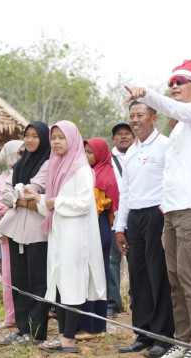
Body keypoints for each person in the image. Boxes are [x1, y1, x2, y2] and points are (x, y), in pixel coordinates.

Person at [125, 59, 191, 357]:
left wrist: (146, 94)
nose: (174, 86)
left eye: (180, 81)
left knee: (190, 279)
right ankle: (183, 342)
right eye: (171, 83)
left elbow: (174, 109)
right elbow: (170, 177)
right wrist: (166, 221)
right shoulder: (178, 131)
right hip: (174, 212)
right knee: (175, 281)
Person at [23, 120, 106, 354]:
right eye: (53, 138)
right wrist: (37, 197)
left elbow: (81, 204)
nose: (56, 142)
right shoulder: (56, 166)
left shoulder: (81, 168)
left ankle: (69, 339)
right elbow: (48, 205)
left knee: (73, 283)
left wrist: (53, 202)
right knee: (60, 282)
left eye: (61, 137)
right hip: (59, 232)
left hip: (75, 234)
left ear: (72, 139)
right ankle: (62, 336)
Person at [114, 101, 173, 357]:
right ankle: (144, 333)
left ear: (153, 118)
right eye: (131, 116)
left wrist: (165, 221)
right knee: (137, 277)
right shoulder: (130, 152)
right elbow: (125, 193)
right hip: (134, 218)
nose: (135, 120)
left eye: (140, 115)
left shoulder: (165, 145)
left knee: (157, 275)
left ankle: (163, 337)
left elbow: (172, 184)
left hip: (157, 214)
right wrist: (120, 227)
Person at [0, 122, 51, 346]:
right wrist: (19, 196)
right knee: (19, 281)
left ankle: (37, 333)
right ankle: (22, 329)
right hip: (18, 229)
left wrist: (17, 197)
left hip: (38, 231)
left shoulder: (48, 163)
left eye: (35, 136)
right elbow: (6, 193)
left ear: (43, 139)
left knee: (38, 283)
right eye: (27, 136)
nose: (29, 140)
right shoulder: (20, 164)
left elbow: (34, 189)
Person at [77, 137, 119, 338]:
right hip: (89, 226)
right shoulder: (89, 173)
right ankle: (89, 323)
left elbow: (98, 206)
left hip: (98, 226)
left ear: (100, 153)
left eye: (89, 152)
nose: (85, 156)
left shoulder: (104, 176)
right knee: (86, 275)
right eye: (83, 151)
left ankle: (93, 325)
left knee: (95, 276)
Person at [0, 139, 23, 330]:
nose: (23, 157)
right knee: (8, 274)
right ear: (9, 155)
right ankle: (11, 317)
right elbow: (1, 206)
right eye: (19, 153)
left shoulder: (31, 174)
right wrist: (23, 203)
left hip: (29, 230)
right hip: (9, 232)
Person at [107, 121, 134, 317]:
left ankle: (137, 300)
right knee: (112, 261)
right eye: (119, 134)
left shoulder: (139, 155)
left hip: (137, 214)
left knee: (136, 260)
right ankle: (113, 302)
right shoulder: (107, 159)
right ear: (113, 139)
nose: (123, 136)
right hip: (114, 216)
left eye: (127, 133)